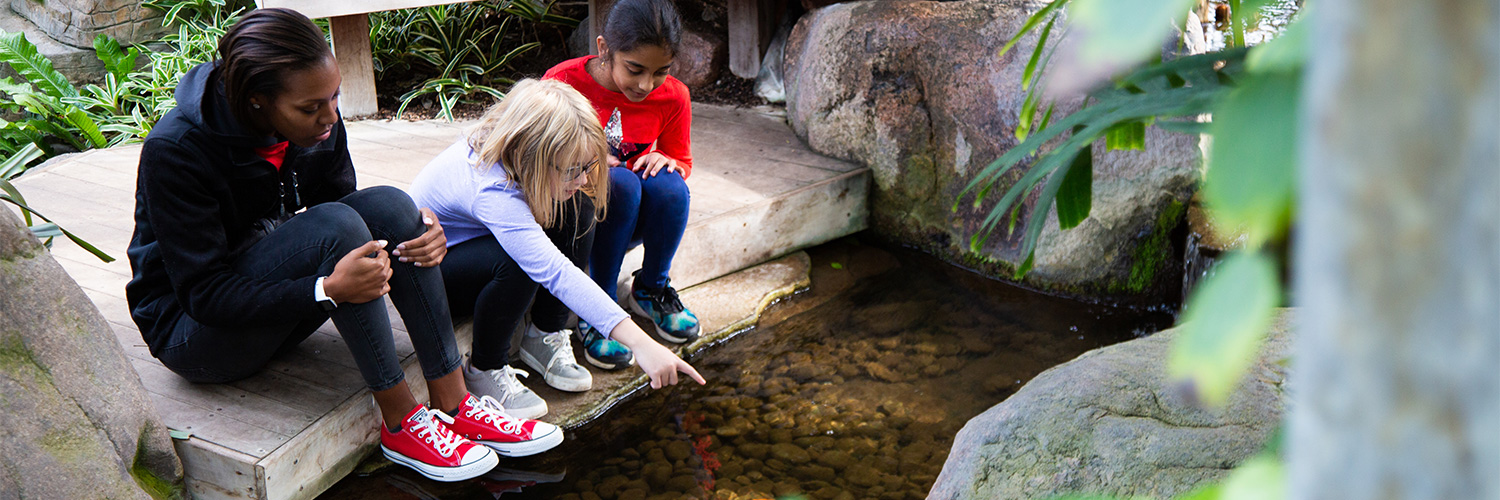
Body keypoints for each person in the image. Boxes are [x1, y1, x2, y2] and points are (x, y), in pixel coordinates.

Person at [124, 8, 558, 483]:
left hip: (272, 305)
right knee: (336, 228)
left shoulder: (316, 121)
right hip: (196, 335)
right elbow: (205, 295)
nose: (330, 116)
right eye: (311, 108)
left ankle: (453, 400)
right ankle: (400, 422)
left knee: (393, 207)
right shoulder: (178, 150)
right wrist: (326, 290)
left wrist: (423, 232)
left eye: (333, 97)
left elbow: (353, 212)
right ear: (256, 102)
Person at [410, 78, 704, 415]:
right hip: (434, 277)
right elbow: (555, 271)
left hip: (475, 245)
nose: (582, 179)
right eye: (572, 169)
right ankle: (485, 369)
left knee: (577, 208)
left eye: (587, 166)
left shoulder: (516, 153)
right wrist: (642, 344)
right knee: (519, 260)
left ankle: (543, 334)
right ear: (533, 155)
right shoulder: (491, 190)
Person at [543, 0, 700, 372]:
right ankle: (599, 304)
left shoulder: (674, 96)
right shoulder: (562, 84)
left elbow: (683, 160)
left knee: (670, 185)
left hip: (624, 218)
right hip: (574, 218)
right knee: (622, 182)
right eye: (635, 69)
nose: (647, 84)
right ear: (603, 49)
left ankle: (651, 287)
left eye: (660, 71)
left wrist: (670, 162)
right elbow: (534, 160)